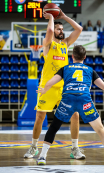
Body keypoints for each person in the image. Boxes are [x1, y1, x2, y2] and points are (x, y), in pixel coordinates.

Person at [36, 45, 104, 166]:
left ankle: (42, 157)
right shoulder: (90, 70)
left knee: (53, 128)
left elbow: (50, 82)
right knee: (100, 129)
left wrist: (44, 90)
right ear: (85, 57)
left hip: (68, 100)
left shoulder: (65, 68)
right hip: (85, 101)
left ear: (72, 56)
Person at [23, 10, 84, 159]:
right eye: (59, 29)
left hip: (64, 87)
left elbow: (79, 29)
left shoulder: (66, 44)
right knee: (40, 117)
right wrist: (51, 17)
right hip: (47, 86)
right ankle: (33, 147)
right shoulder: (48, 45)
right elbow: (49, 30)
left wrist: (63, 17)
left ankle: (75, 148)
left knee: (75, 115)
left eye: (62, 29)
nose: (61, 31)